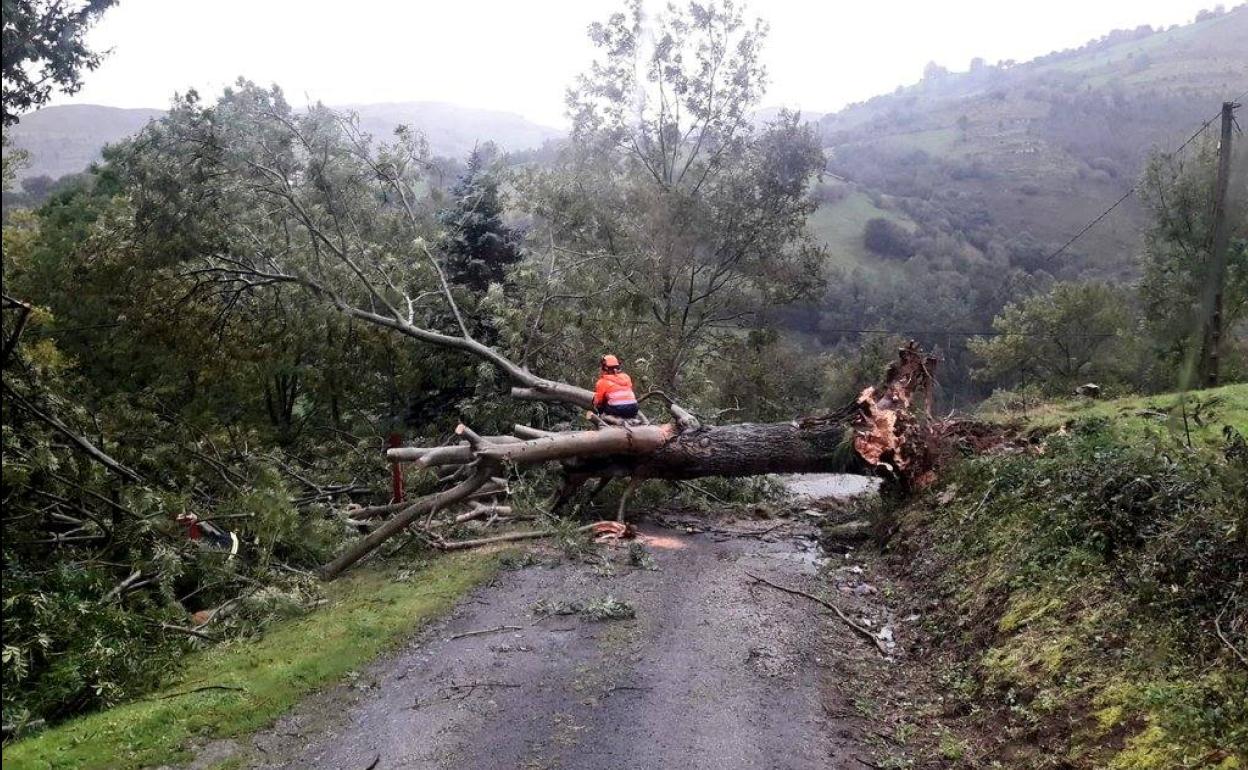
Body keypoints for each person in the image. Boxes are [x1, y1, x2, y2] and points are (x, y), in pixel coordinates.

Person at [593, 354, 639, 420]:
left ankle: (603, 419)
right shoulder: (626, 377)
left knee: (600, 406)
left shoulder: (602, 381)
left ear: (605, 367)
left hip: (616, 409)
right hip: (633, 408)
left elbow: (599, 401)